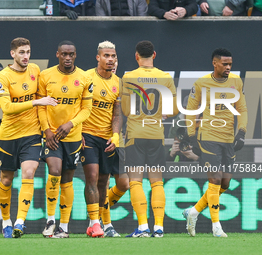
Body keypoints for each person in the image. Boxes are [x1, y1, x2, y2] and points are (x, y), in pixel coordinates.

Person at [0, 38, 57, 238]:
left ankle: (20, 222)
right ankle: (6, 221)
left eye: (28, 52)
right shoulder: (3, 77)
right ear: (12, 54)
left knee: (29, 173)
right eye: (21, 52)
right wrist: (36, 101)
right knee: (6, 179)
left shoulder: (35, 71)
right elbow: (7, 108)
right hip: (8, 135)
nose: (26, 56)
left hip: (31, 134)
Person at [183, 48, 248, 238]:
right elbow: (191, 110)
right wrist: (191, 135)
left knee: (225, 183)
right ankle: (216, 226)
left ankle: (193, 212)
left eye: (230, 64)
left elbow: (242, 108)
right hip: (208, 137)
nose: (228, 67)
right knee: (215, 179)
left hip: (228, 138)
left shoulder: (236, 81)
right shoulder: (202, 83)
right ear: (215, 63)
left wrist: (242, 131)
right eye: (225, 64)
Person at [121, 40, 178, 237]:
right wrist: (161, 113)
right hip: (156, 135)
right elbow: (175, 110)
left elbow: (126, 110)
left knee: (136, 181)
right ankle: (159, 227)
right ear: (154, 55)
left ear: (136, 56)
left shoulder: (128, 77)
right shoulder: (165, 77)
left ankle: (143, 227)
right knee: (157, 182)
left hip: (135, 135)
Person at [40, 40, 93, 238]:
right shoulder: (46, 75)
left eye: (71, 54)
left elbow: (87, 109)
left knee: (68, 180)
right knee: (54, 171)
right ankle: (50, 220)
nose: (68, 58)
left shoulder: (85, 77)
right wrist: (47, 131)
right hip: (53, 136)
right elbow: (42, 107)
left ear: (75, 55)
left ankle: (64, 226)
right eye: (64, 54)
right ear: (58, 55)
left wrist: (70, 123)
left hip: (73, 137)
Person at [82, 41, 127, 238]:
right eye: (106, 56)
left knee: (106, 182)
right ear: (98, 57)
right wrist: (77, 134)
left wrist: (115, 136)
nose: (110, 59)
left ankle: (99, 220)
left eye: (113, 56)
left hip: (108, 138)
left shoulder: (118, 82)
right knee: (92, 177)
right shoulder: (85, 78)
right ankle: (97, 224)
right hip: (87, 136)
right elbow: (76, 107)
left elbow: (117, 114)